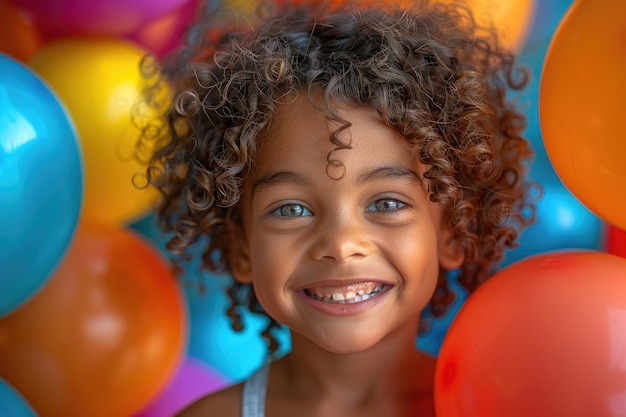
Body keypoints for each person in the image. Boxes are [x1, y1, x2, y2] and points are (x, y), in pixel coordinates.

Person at [141, 0, 535, 415]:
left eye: (386, 203)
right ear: (242, 246)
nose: (342, 244)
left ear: (452, 229)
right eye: (291, 210)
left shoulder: (487, 409)